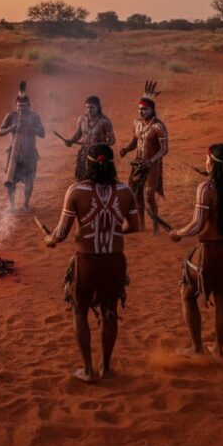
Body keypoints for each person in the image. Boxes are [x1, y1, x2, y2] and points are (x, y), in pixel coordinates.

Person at [45, 144, 139, 383]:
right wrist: (114, 229)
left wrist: (50, 239)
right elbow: (134, 226)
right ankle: (105, 367)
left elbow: (61, 232)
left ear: (87, 164)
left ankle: (88, 370)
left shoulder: (76, 190)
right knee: (110, 312)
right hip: (114, 262)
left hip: (86, 262)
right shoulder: (126, 191)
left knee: (80, 311)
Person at [169, 144, 223, 357]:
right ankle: (219, 348)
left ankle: (197, 348)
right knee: (222, 300)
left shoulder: (207, 189)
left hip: (211, 253)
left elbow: (197, 225)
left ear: (214, 164)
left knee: (188, 295)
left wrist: (178, 233)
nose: (205, 163)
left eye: (207, 160)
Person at [119, 90, 168, 234]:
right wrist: (126, 149)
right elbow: (135, 142)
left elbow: (165, 150)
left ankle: (155, 226)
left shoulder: (158, 126)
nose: (141, 112)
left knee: (148, 194)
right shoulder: (136, 123)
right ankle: (141, 224)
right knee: (135, 194)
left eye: (145, 109)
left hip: (152, 165)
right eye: (140, 109)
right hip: (138, 164)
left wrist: (151, 161)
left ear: (152, 110)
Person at [0, 81, 45, 211]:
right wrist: (11, 128)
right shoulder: (11, 116)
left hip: (30, 156)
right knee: (11, 182)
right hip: (14, 156)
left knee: (29, 184)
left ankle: (25, 205)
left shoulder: (35, 117)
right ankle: (11, 206)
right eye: (19, 106)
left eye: (24, 106)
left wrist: (31, 127)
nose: (21, 109)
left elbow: (43, 133)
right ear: (16, 106)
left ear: (29, 106)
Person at [64, 95, 116, 182]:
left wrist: (100, 145)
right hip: (84, 155)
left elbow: (112, 140)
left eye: (92, 107)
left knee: (97, 181)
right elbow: (78, 133)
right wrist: (71, 140)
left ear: (98, 107)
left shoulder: (105, 121)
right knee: (81, 180)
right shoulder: (82, 119)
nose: (89, 110)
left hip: (98, 157)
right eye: (87, 107)